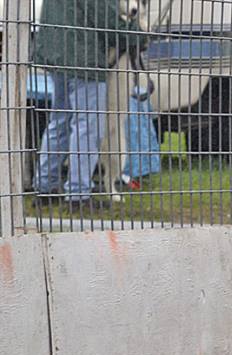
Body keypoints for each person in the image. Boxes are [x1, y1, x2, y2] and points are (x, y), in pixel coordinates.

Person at [32, 0, 148, 210]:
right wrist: (139, 34)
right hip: (85, 58)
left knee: (59, 122)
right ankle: (78, 194)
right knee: (88, 126)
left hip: (58, 55)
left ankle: (45, 188)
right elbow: (110, 26)